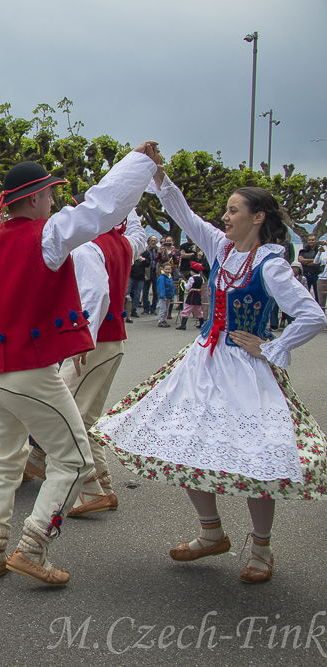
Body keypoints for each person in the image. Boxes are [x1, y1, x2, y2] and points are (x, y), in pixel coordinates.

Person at [92, 169, 327, 584]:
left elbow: (312, 315)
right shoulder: (221, 247)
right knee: (187, 443)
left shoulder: (271, 264)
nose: (225, 217)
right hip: (202, 363)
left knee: (255, 456)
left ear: (257, 217)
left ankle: (261, 547)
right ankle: (211, 532)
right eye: (226, 211)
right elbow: (184, 215)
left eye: (234, 211)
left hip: (245, 371)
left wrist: (270, 347)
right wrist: (160, 178)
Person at [0, 143, 160, 586]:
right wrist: (138, 161)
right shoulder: (47, 235)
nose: (54, 200)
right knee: (75, 460)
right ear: (37, 197)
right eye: (50, 194)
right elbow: (102, 206)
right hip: (31, 371)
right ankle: (33, 546)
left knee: (5, 459)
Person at [23, 206, 148, 511]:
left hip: (94, 344)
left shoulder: (88, 247)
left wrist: (83, 338)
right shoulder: (122, 242)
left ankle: (80, 484)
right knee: (82, 417)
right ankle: (99, 488)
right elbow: (139, 236)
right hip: (110, 343)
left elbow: (95, 292)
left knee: (61, 414)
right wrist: (128, 204)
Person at [176, 261, 206, 329]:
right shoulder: (201, 278)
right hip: (198, 295)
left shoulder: (192, 278)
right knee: (198, 310)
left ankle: (183, 325)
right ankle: (202, 324)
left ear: (192, 271)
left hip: (192, 295)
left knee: (187, 309)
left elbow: (187, 288)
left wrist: (184, 283)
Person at [297, 234, 323, 302]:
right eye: (309, 240)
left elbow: (317, 262)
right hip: (305, 275)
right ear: (307, 241)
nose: (311, 241)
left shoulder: (319, 251)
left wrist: (306, 261)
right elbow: (300, 260)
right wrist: (314, 259)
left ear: (316, 241)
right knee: (305, 295)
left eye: (313, 240)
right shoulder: (303, 251)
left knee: (318, 296)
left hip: (317, 275)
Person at [156, 262, 175, 327]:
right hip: (163, 296)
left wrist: (172, 295)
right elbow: (161, 287)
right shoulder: (162, 277)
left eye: (169, 269)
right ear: (163, 269)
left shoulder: (170, 277)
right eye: (166, 269)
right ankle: (161, 321)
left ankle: (164, 320)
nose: (167, 271)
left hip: (169, 296)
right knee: (162, 309)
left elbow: (172, 286)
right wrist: (163, 296)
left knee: (166, 309)